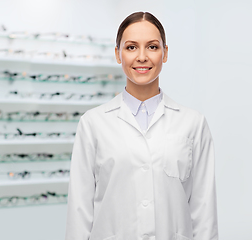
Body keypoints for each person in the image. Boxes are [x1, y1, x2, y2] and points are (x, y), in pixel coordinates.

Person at [65, 11, 218, 240]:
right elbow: (80, 213)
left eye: (153, 47)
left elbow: (204, 212)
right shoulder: (93, 124)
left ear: (165, 53)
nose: (142, 57)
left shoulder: (193, 124)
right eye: (131, 47)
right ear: (118, 54)